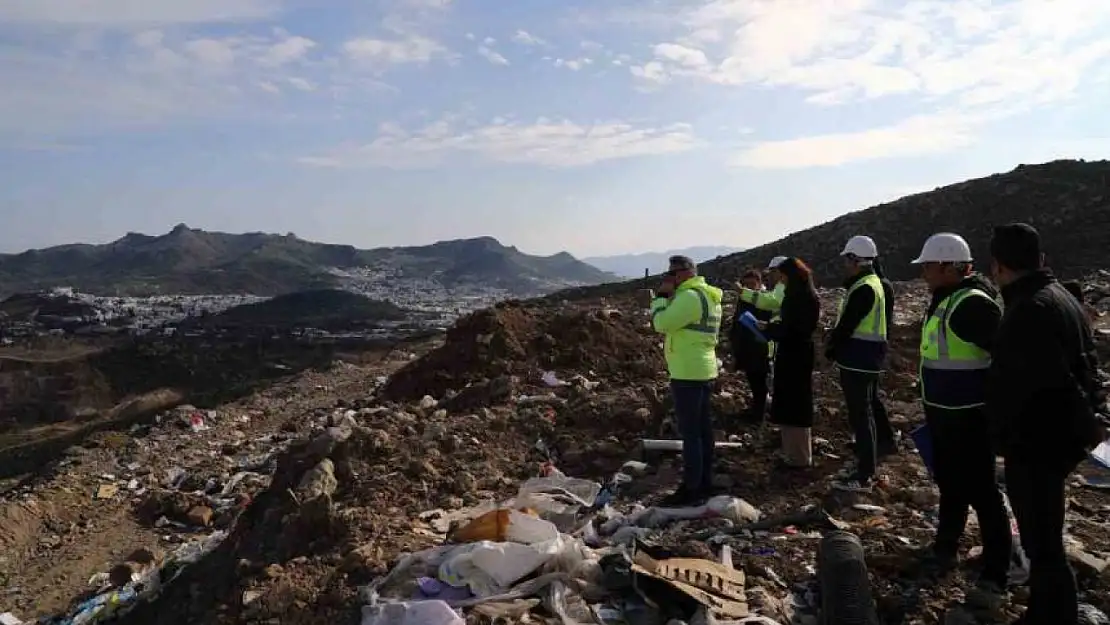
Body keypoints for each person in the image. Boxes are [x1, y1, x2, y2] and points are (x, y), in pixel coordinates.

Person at [987, 223, 1108, 625]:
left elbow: (1047, 384)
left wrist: (1004, 435)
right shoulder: (1060, 298)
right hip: (1058, 439)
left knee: (1042, 543)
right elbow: (1086, 369)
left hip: (1038, 443)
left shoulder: (1029, 310)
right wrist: (1092, 423)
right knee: (1044, 537)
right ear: (1040, 260)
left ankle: (1054, 615)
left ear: (998, 266)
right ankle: (1044, 610)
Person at [911, 232, 1011, 608]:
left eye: (928, 266)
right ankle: (945, 549)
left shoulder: (971, 305)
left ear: (949, 266)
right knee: (952, 487)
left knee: (983, 494)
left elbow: (1005, 361)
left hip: (970, 418)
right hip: (945, 415)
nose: (923, 272)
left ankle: (995, 572)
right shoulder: (946, 300)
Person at [642, 255, 724, 506]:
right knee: (703, 431)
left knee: (691, 434)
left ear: (685, 274)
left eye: (673, 275)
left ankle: (691, 488)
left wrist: (659, 299)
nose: (671, 279)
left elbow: (661, 323)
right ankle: (705, 482)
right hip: (703, 368)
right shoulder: (707, 295)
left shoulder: (690, 297)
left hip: (688, 372)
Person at [827, 235, 897, 493]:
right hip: (869, 355)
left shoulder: (864, 287)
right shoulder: (875, 283)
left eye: (848, 260)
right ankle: (871, 457)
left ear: (855, 260)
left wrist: (832, 348)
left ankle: (865, 470)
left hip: (859, 357)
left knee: (861, 413)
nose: (846, 265)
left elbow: (848, 324)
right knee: (866, 409)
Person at [759, 257, 820, 469]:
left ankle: (799, 457)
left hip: (795, 355)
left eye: (783, 276)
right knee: (791, 401)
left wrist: (769, 329)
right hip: (796, 354)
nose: (781, 281)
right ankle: (793, 453)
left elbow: (791, 329)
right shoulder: (806, 296)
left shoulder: (797, 299)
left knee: (795, 403)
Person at [729, 269, 773, 423]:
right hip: (746, 348)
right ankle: (756, 410)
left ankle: (759, 415)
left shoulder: (766, 299)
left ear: (759, 283)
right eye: (745, 285)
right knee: (753, 381)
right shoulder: (744, 299)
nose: (748, 288)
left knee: (760, 382)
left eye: (751, 285)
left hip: (760, 348)